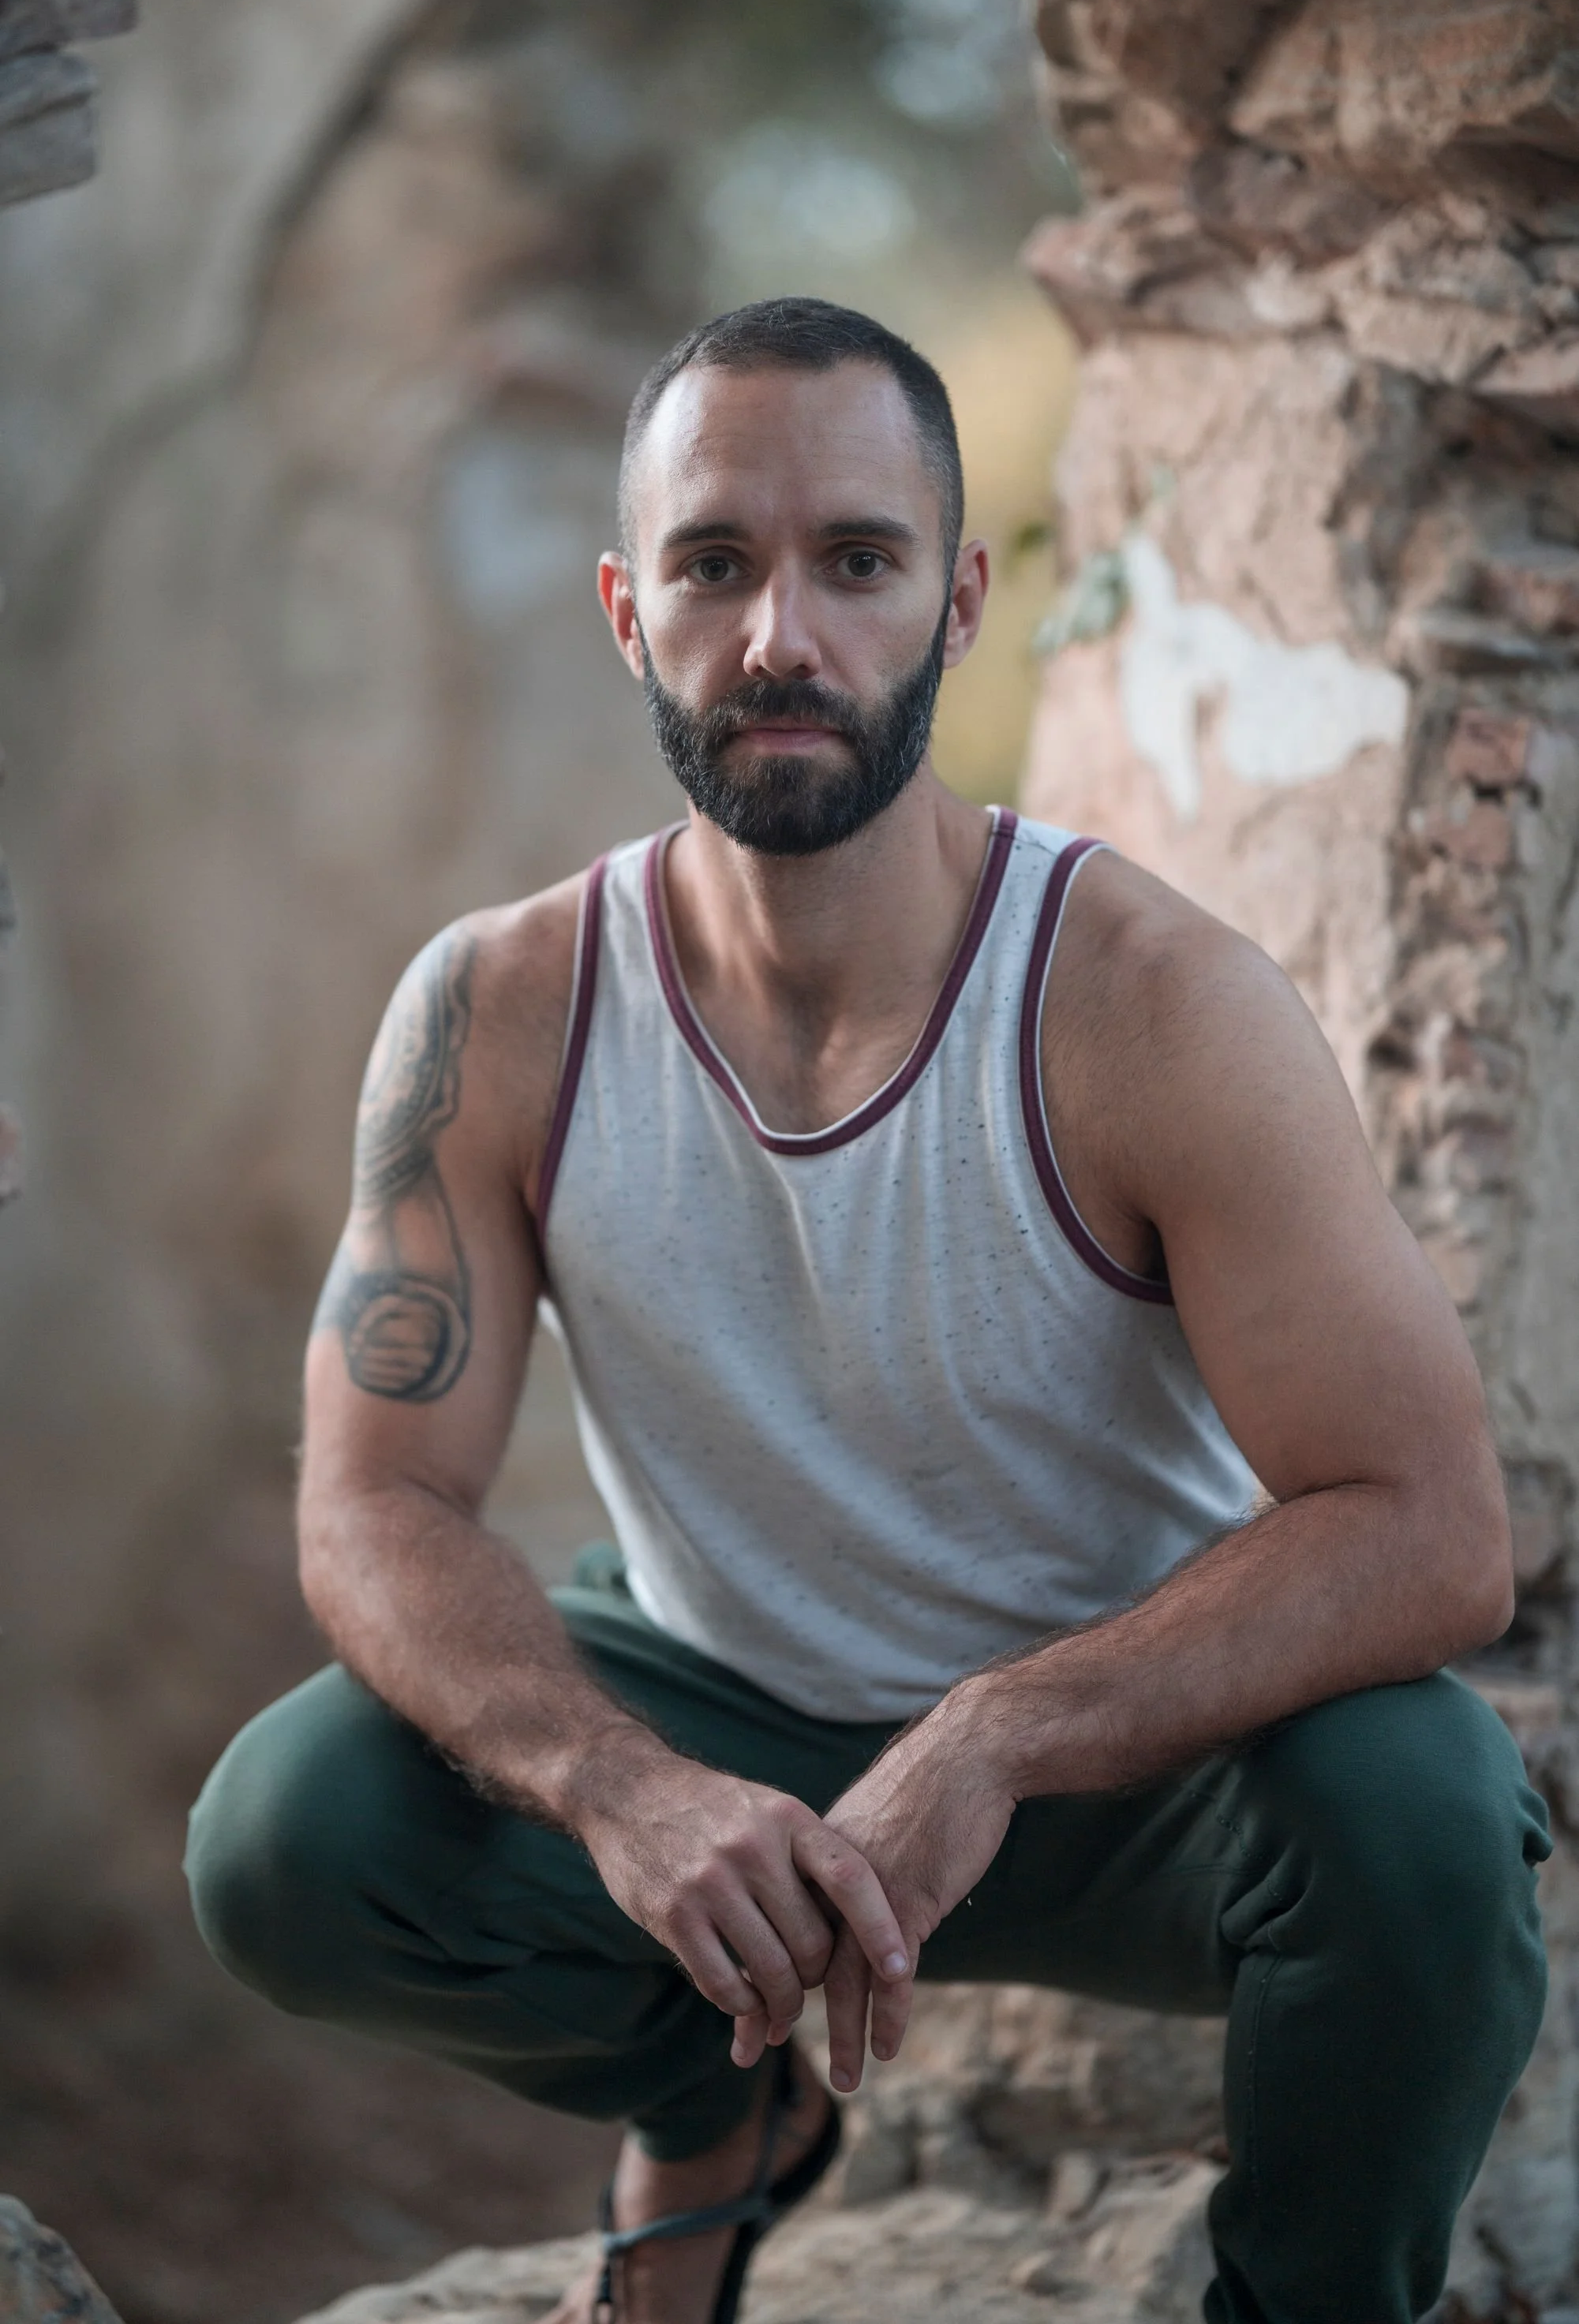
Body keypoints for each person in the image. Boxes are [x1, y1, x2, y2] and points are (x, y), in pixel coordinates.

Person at [186, 298, 1550, 2324]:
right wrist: (625, 1788)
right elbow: (374, 1502)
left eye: (857, 560)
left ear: (962, 598)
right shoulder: (501, 1007)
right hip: (711, 1706)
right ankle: (710, 2103)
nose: (781, 639)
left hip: (1118, 1769)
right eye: (715, 563)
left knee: (1431, 1830)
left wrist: (999, 1731)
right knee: (292, 1839)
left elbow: (1434, 1529)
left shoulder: (1154, 1006)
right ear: (624, 611)